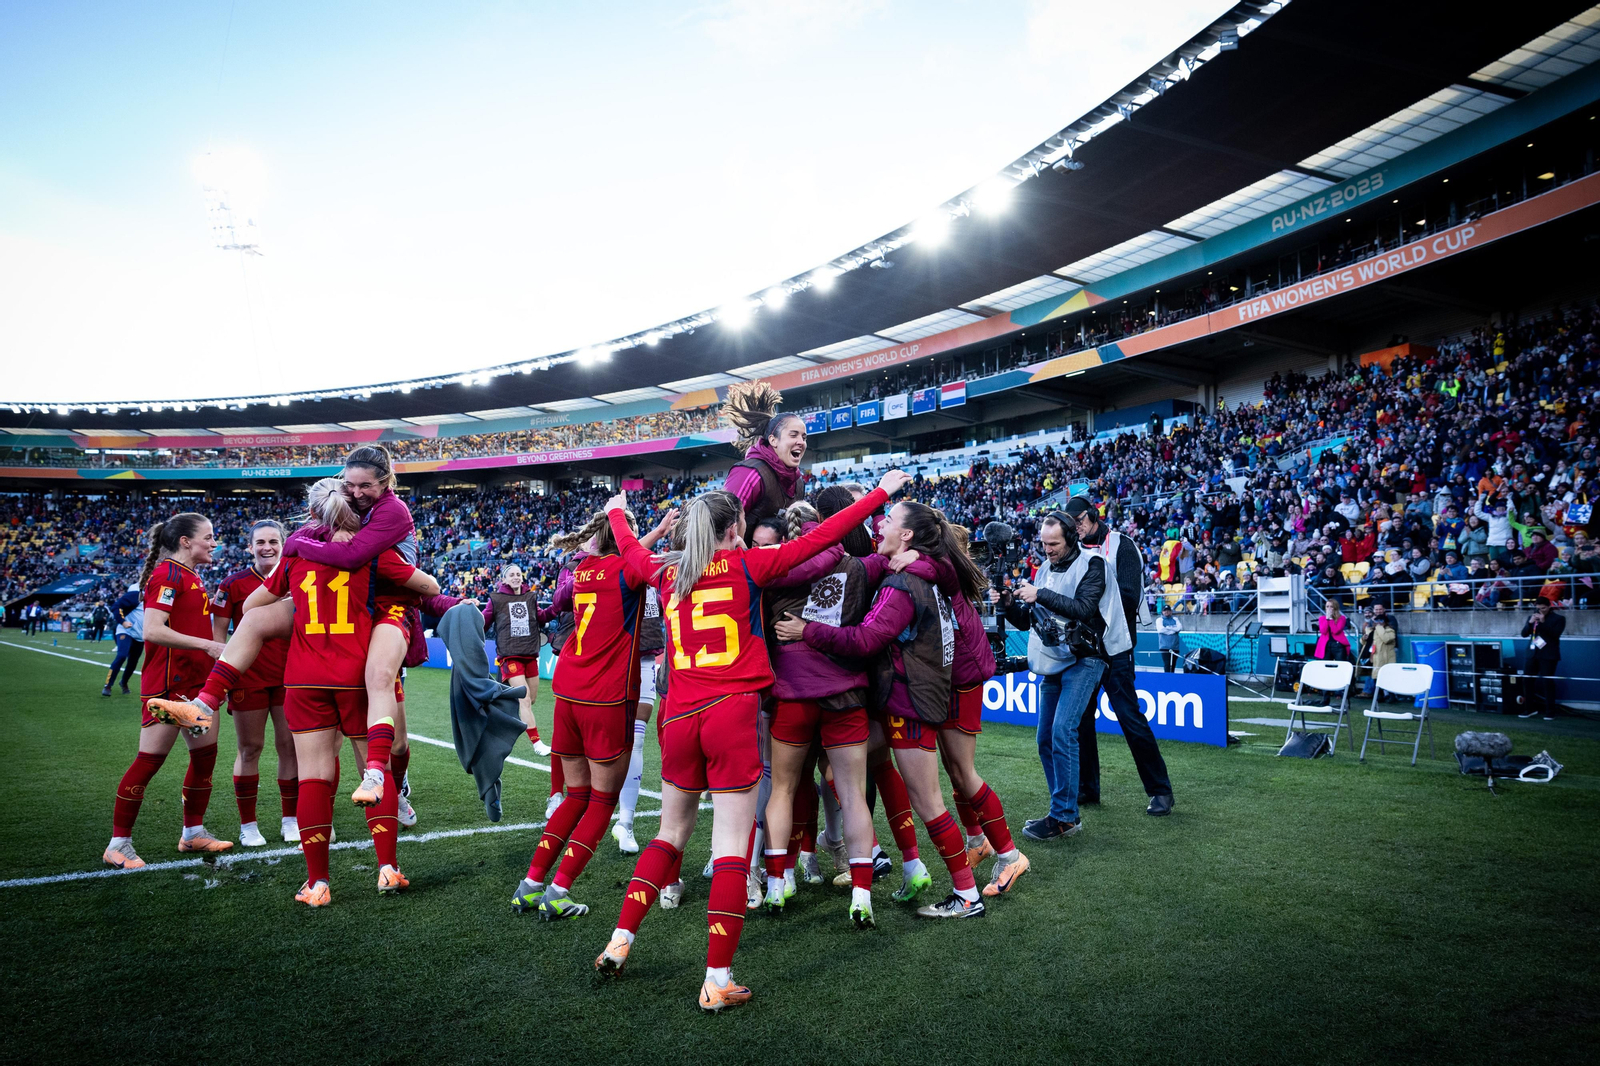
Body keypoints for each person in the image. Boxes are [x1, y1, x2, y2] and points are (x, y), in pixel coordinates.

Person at [593, 470, 909, 1012]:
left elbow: (627, 548)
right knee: (731, 846)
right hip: (731, 714)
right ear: (735, 524)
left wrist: (619, 509)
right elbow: (822, 536)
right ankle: (717, 978)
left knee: (668, 835)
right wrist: (882, 493)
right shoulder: (747, 565)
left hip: (680, 717)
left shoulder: (666, 575)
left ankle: (619, 941)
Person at [776, 499, 988, 919]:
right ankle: (914, 869)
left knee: (928, 802)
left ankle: (966, 894)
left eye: (889, 520)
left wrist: (807, 630)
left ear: (907, 535)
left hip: (908, 703)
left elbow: (865, 641)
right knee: (864, 773)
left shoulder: (900, 586)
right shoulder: (919, 572)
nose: (880, 523)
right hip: (917, 698)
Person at [243, 478, 441, 905]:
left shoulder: (294, 550)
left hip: (305, 675)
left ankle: (317, 883)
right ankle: (388, 868)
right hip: (357, 671)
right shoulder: (372, 553)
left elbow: (250, 609)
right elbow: (427, 587)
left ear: (312, 512)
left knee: (314, 776)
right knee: (377, 769)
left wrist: (293, 609)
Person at [508, 504, 676, 920]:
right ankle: (560, 890)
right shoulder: (627, 570)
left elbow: (627, 562)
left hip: (568, 692)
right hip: (606, 697)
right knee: (602, 800)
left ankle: (530, 885)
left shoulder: (583, 570)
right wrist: (651, 533)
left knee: (575, 795)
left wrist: (650, 532)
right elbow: (637, 564)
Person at [103, 513, 231, 870]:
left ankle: (193, 833)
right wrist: (207, 645)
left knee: (205, 759)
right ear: (186, 541)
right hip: (169, 687)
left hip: (197, 685)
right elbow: (154, 631)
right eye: (208, 536)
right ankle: (118, 844)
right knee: (149, 762)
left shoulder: (189, 575)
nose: (213, 542)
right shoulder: (168, 574)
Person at [994, 510, 1125, 841]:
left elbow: (1083, 609)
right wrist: (1010, 603)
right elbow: (1028, 621)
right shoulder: (1044, 570)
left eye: (1053, 544)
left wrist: (1040, 594)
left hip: (1086, 658)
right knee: (1045, 738)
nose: (1047, 550)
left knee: (1063, 731)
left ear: (1072, 538)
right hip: (1054, 660)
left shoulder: (1094, 564)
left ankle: (1064, 815)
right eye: (1043, 543)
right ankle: (1064, 810)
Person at [1065, 496, 1174, 816]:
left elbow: (1129, 597)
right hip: (1084, 649)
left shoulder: (1122, 546)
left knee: (1129, 718)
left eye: (1079, 520)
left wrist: (1083, 605)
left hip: (1115, 648)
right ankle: (1088, 788)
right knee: (1081, 721)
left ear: (1094, 516)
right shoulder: (1075, 549)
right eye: (1072, 523)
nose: (1076, 526)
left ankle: (1161, 791)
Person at [211, 519, 298, 846]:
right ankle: (248, 826)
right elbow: (218, 634)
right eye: (260, 542)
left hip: (290, 676)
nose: (267, 547)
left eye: (273, 542)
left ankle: (290, 820)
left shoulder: (297, 577)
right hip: (249, 676)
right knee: (250, 748)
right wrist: (222, 676)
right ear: (250, 547)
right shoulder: (233, 583)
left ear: (283, 544)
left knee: (289, 747)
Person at [720, 380, 807, 528]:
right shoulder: (749, 473)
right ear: (773, 440)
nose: (801, 442)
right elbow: (721, 523)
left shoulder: (798, 483)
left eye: (804, 437)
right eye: (793, 435)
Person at [483, 563, 548, 755]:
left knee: (531, 699)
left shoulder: (530, 597)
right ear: (504, 579)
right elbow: (483, 622)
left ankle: (499, 707)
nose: (516, 577)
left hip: (529, 654)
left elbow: (542, 617)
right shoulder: (496, 599)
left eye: (518, 574)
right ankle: (537, 744)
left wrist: (559, 606)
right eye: (511, 575)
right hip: (509, 656)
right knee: (525, 700)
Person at [1520, 596, 1565, 719]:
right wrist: (1530, 623)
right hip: (1532, 654)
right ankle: (1529, 709)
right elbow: (1524, 634)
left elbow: (1555, 635)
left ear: (1549, 606)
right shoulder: (1532, 617)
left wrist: (1544, 622)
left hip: (1548, 655)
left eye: (1543, 608)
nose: (1541, 611)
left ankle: (1550, 712)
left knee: (1547, 682)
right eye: (1538, 608)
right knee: (1527, 681)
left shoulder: (1559, 619)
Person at [101, 584, 144, 697]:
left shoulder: (157, 598)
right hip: (126, 631)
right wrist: (123, 621)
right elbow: (116, 606)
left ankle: (124, 682)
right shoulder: (137, 595)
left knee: (133, 662)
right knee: (121, 655)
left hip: (140, 635)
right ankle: (108, 685)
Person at [1156, 605, 1182, 671]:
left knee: (1173, 665)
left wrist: (1167, 628)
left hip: (1175, 647)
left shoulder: (1175, 619)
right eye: (1165, 610)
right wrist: (1173, 630)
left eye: (1168, 610)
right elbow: (1161, 630)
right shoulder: (1159, 620)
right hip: (1164, 647)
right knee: (1167, 664)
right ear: (1162, 612)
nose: (1166, 612)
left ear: (1171, 611)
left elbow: (1179, 628)